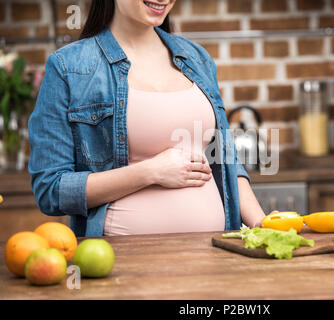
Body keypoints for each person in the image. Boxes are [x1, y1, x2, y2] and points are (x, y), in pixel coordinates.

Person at [28, 0, 267, 237]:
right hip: (121, 262)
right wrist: (150, 172)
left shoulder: (197, 59)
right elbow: (51, 190)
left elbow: (226, 161)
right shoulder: (69, 66)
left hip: (213, 256)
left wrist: (263, 224)